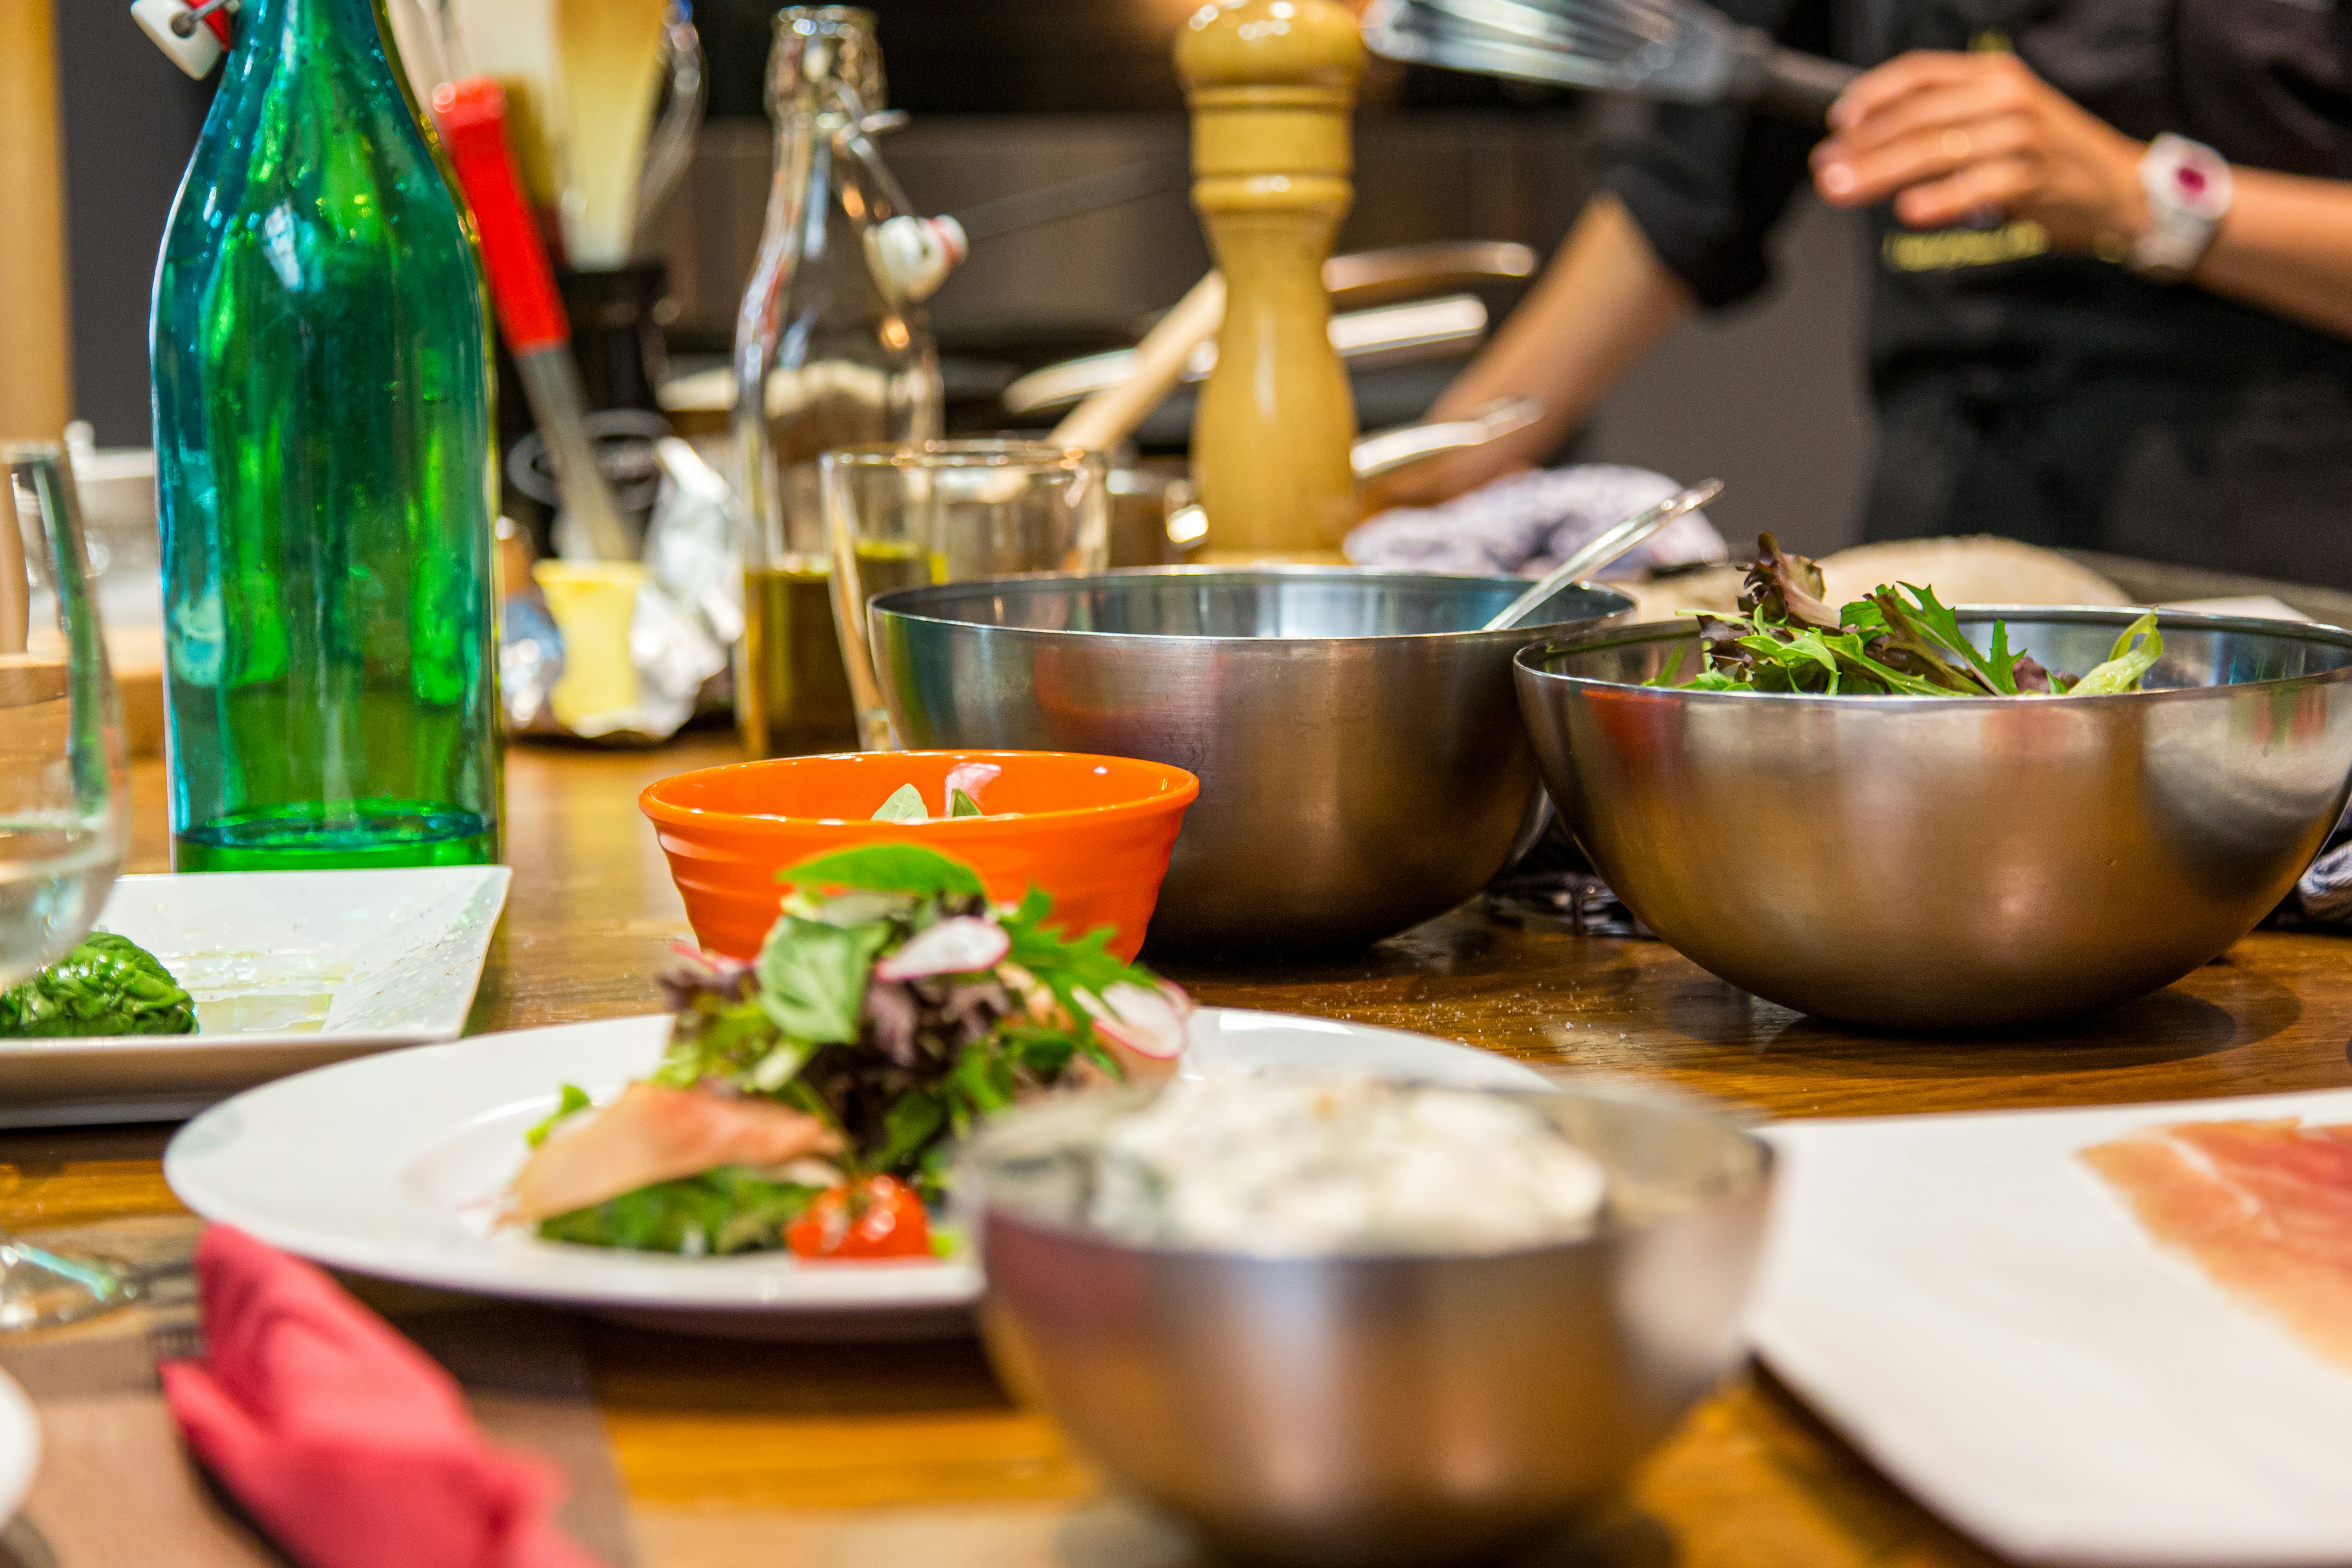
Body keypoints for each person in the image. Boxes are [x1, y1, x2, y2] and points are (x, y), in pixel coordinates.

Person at [1378, 2, 2352, 586]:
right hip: (1942, 567)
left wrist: (2152, 202)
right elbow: (1678, 196)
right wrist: (1416, 481)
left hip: (2283, 596)